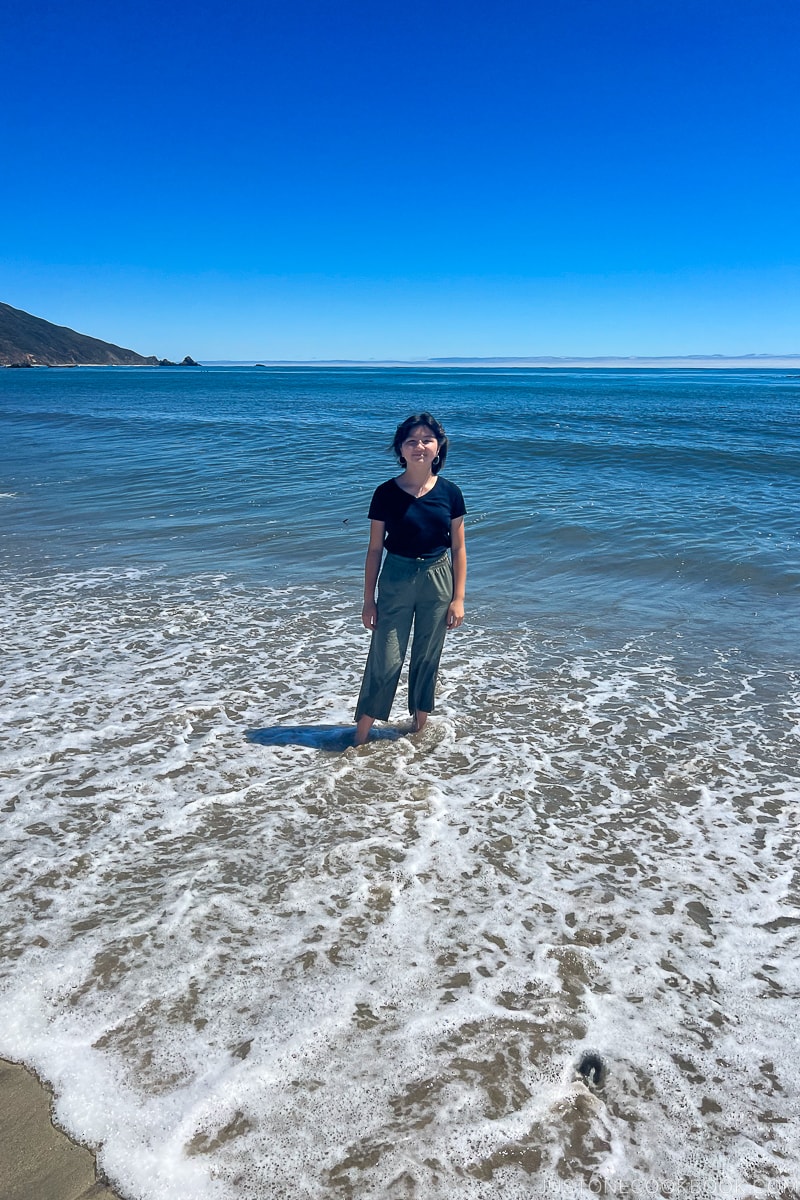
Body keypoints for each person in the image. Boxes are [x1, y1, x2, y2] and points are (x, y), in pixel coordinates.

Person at [354, 412, 467, 746]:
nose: (420, 446)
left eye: (427, 440)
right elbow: (375, 550)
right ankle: (360, 735)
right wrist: (368, 599)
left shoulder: (451, 493)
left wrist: (458, 598)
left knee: (427, 654)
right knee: (386, 657)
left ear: (438, 447)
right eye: (411, 441)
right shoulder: (385, 493)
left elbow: (459, 548)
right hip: (396, 575)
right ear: (401, 450)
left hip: (438, 576)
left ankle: (419, 728)